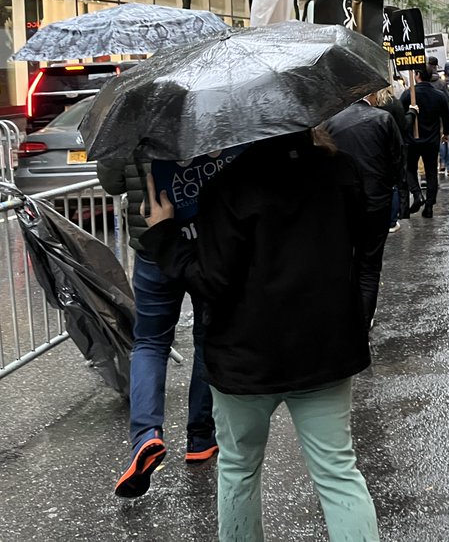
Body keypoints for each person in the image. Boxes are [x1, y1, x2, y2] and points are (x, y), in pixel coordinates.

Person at [139, 129, 380, 541]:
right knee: (338, 472)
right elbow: (362, 250)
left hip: (243, 358)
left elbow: (210, 280)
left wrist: (163, 235)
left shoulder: (230, 185)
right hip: (326, 349)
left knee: (238, 468)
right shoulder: (342, 170)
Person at [100, 155, 216, 498]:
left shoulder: (132, 120)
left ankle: (146, 435)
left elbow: (111, 183)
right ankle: (201, 439)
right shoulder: (204, 107)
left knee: (150, 343)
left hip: (153, 242)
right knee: (206, 338)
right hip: (205, 241)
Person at [323, 91, 407, 324]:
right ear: (370, 94)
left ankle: (346, 317)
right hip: (375, 202)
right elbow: (397, 159)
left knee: (345, 261)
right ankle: (362, 321)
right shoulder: (382, 119)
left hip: (342, 203)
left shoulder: (331, 122)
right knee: (369, 265)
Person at [390, 62, 449, 218]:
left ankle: (417, 194)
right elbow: (447, 116)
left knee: (409, 168)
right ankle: (429, 205)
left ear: (417, 75)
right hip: (431, 141)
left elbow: (401, 117)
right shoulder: (439, 95)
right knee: (432, 172)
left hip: (412, 140)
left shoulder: (407, 94)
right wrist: (446, 133)